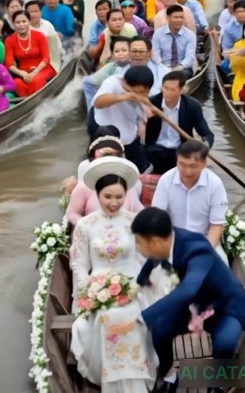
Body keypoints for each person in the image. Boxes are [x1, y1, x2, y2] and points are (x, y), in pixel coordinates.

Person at [69, 156, 171, 392]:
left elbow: (148, 259)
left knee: (135, 316)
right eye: (107, 197)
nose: (113, 203)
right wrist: (88, 292)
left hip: (133, 284)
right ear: (97, 194)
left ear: (126, 195)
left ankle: (137, 379)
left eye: (119, 197)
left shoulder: (135, 222)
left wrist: (153, 285)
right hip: (97, 287)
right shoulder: (85, 225)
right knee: (107, 317)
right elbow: (79, 265)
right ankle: (112, 381)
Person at [131, 208, 245, 393]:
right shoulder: (169, 240)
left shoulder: (198, 250)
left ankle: (218, 384)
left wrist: (141, 318)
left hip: (225, 306)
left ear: (155, 242)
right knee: (160, 331)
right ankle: (168, 375)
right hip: (197, 304)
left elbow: (187, 290)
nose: (138, 248)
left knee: (225, 343)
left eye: (140, 243)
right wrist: (141, 280)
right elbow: (154, 259)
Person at [150, 140, 228, 253]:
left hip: (204, 241)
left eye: (193, 166)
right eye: (182, 165)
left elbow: (216, 225)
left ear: (204, 164)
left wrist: (205, 253)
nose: (187, 171)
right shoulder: (166, 180)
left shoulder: (215, 184)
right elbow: (157, 218)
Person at [143, 71, 214, 174]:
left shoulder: (192, 106)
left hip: (180, 151)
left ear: (181, 90)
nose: (167, 93)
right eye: (165, 88)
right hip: (154, 149)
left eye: (172, 90)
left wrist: (203, 149)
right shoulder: (151, 103)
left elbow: (207, 134)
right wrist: (144, 119)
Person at [65, 135, 145, 227]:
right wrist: (88, 227)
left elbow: (140, 214)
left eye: (115, 156)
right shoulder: (85, 185)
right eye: (106, 155)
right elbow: (72, 213)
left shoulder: (127, 186)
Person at [92, 66, 155, 172]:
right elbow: (98, 102)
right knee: (106, 167)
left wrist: (142, 120)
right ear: (126, 84)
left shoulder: (144, 95)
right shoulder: (112, 82)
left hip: (130, 133)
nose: (142, 94)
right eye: (139, 91)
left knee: (141, 167)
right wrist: (124, 97)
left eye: (145, 91)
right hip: (107, 130)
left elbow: (145, 111)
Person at [3, 9, 54, 97]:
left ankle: (37, 105)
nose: (21, 25)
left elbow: (46, 58)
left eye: (24, 21)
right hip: (23, 73)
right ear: (13, 24)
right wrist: (22, 73)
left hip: (42, 69)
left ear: (29, 22)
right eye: (18, 22)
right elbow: (8, 64)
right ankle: (26, 107)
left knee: (36, 80)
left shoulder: (39, 36)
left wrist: (35, 71)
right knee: (17, 82)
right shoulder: (9, 40)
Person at [82, 37, 132, 111]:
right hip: (107, 96)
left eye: (124, 50)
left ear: (131, 52)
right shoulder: (111, 67)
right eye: (117, 51)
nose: (120, 53)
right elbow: (87, 82)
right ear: (112, 54)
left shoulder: (134, 66)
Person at [152, 6, 197, 79]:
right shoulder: (158, 34)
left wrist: (179, 68)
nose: (179, 20)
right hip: (163, 66)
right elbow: (155, 55)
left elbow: (189, 57)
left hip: (182, 68)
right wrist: (163, 68)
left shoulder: (190, 35)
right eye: (176, 17)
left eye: (181, 17)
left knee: (182, 75)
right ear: (168, 18)